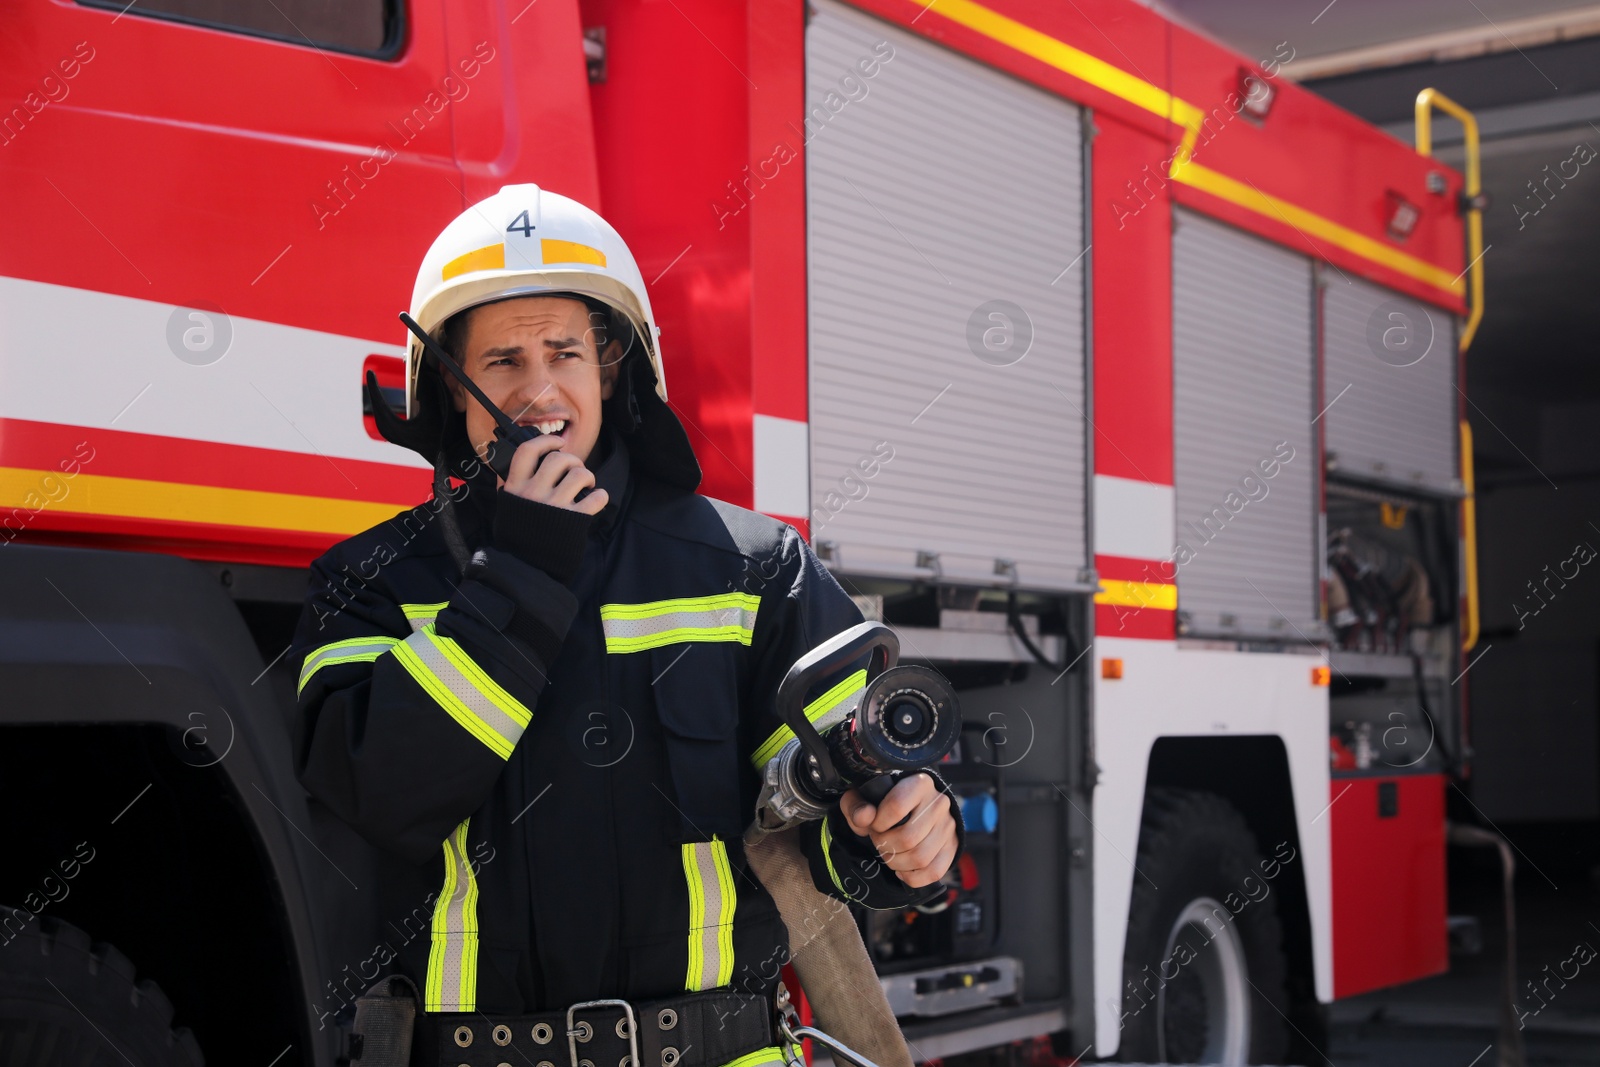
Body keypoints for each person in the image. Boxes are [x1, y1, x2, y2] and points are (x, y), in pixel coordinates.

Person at [289, 184, 961, 1066]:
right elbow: (380, 798)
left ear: (611, 364)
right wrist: (523, 574)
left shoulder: (752, 566)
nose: (539, 389)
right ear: (450, 387)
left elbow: (827, 816)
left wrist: (905, 837)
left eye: (565, 350)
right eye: (501, 362)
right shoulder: (367, 583)